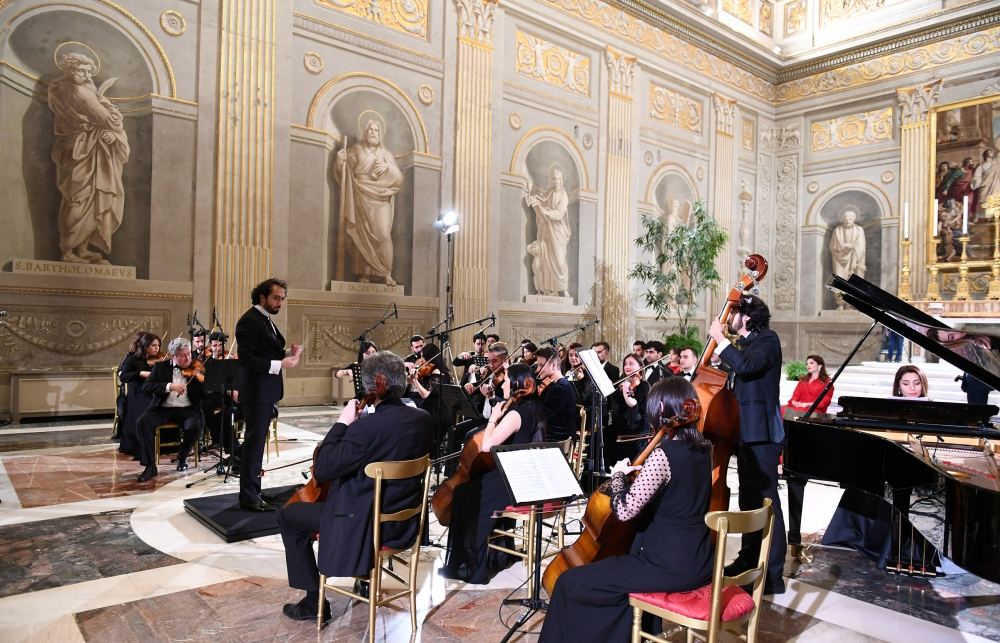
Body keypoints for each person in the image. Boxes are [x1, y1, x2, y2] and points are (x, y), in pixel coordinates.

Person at [539, 378, 714, 642]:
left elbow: (624, 510)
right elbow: (677, 491)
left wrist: (619, 475)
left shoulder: (664, 453)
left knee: (569, 582)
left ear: (663, 407)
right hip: (699, 560)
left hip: (667, 564)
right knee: (612, 584)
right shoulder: (703, 447)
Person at [277, 351, 433, 622]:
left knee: (288, 516)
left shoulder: (364, 429)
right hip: (404, 525)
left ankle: (314, 603)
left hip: (362, 528)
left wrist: (342, 422)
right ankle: (365, 579)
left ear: (377, 384)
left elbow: (324, 468)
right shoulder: (423, 419)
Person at [708, 294, 786, 595]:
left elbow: (748, 367)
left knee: (767, 504)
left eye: (734, 313)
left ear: (748, 317)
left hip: (763, 436)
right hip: (745, 433)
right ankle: (748, 559)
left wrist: (721, 340)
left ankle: (771, 575)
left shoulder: (768, 339)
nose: (728, 318)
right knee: (749, 502)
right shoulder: (746, 344)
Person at [441, 364, 545, 584]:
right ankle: (499, 554)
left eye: (506, 380)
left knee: (465, 493)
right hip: (523, 476)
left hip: (510, 480)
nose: (503, 383)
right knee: (470, 488)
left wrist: (493, 418)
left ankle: (472, 566)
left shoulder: (515, 414)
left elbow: (487, 445)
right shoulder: (536, 407)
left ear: (517, 384)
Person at [47, 51, 129, 264]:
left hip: (85, 147)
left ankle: (81, 250)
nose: (85, 74)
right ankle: (67, 251)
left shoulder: (59, 87)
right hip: (83, 149)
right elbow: (111, 121)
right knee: (79, 199)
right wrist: (107, 103)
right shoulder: (79, 92)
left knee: (92, 200)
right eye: (80, 69)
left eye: (88, 70)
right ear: (68, 69)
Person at [234, 278, 303, 512]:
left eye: (283, 298)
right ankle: (249, 496)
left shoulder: (264, 320)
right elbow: (247, 359)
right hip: (256, 392)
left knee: (256, 443)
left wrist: (287, 353)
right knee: (253, 444)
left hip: (265, 391)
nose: (280, 302)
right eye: (276, 297)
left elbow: (265, 352)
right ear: (262, 297)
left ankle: (254, 489)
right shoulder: (250, 321)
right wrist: (279, 364)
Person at [334, 118, 403, 286]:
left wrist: (388, 168)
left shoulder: (386, 154)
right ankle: (364, 274)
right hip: (360, 195)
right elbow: (345, 174)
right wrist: (340, 160)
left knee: (384, 235)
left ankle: (386, 272)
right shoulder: (356, 149)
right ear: (365, 133)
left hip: (381, 198)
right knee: (361, 234)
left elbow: (399, 178)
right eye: (370, 130)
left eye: (376, 130)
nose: (373, 133)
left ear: (380, 134)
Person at [135, 337, 206, 481]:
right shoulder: (160, 367)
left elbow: (205, 391)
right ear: (174, 356)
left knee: (195, 426)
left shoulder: (197, 368)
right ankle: (150, 467)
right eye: (183, 355)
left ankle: (182, 456)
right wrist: (169, 386)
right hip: (163, 408)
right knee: (142, 422)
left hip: (187, 409)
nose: (188, 358)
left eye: (189, 354)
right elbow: (146, 387)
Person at [525, 167, 572, 297]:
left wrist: (545, 211)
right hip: (548, 231)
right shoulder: (550, 192)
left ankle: (563, 288)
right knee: (546, 259)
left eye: (558, 179)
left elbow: (559, 214)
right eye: (554, 179)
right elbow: (541, 200)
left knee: (560, 260)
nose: (556, 181)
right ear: (552, 180)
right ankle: (550, 289)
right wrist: (533, 198)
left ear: (562, 180)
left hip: (559, 232)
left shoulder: (563, 195)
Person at [117, 332, 161, 458]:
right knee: (147, 407)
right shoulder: (133, 359)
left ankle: (164, 443)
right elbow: (123, 376)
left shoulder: (158, 360)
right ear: (145, 345)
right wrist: (140, 373)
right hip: (138, 393)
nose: (157, 348)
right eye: (153, 345)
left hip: (153, 391)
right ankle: (141, 446)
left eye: (158, 345)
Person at [607, 354, 649, 465]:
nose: (627, 366)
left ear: (640, 366)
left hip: (635, 426)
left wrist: (626, 389)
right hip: (620, 424)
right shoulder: (622, 382)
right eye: (625, 363)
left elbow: (632, 403)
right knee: (600, 437)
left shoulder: (644, 385)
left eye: (631, 364)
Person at [535, 346, 579, 441]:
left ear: (554, 365)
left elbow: (541, 416)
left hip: (557, 441)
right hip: (550, 436)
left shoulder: (561, 387)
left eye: (541, 365)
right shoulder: (554, 385)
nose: (538, 370)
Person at [829, 208, 866, 308]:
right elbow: (832, 247)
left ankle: (851, 305)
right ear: (842, 219)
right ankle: (840, 304)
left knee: (853, 283)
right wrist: (843, 246)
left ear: (854, 219)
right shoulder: (837, 231)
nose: (847, 220)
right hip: (839, 261)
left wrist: (852, 246)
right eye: (845, 218)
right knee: (839, 283)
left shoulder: (859, 230)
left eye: (850, 218)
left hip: (856, 260)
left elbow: (861, 247)